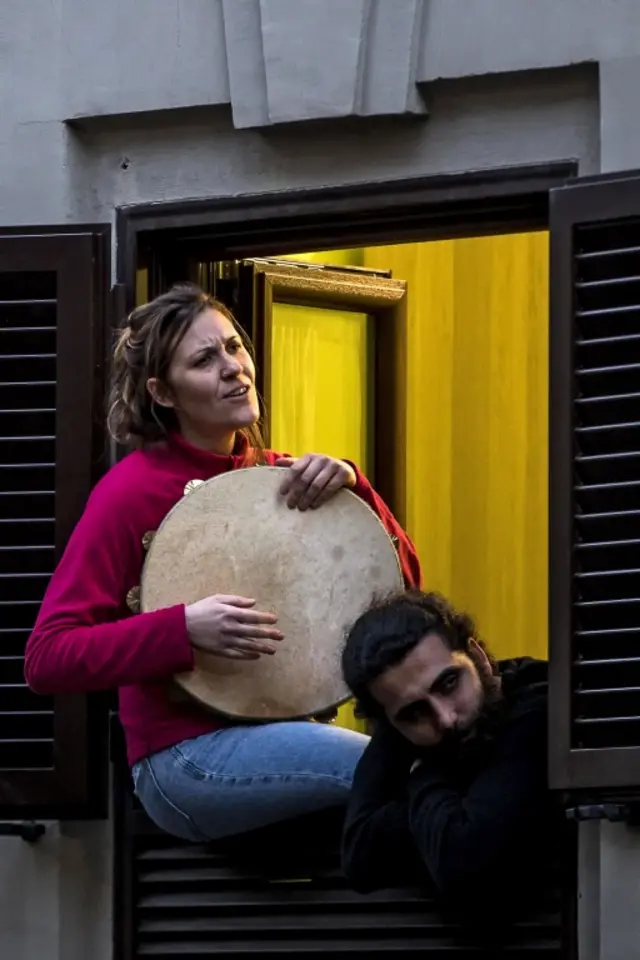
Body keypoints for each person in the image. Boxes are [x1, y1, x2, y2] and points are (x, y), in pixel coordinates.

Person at [24, 283, 420, 843]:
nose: (234, 368)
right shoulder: (127, 494)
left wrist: (357, 488)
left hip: (283, 730)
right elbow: (47, 657)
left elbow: (403, 589)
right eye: (205, 360)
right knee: (396, 771)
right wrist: (180, 630)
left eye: (234, 348)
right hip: (181, 761)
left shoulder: (282, 478)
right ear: (163, 393)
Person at [340, 590, 563, 922]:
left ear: (478, 657)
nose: (445, 719)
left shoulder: (538, 703)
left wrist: (421, 776)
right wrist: (457, 806)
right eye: (414, 714)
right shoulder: (399, 719)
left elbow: (466, 867)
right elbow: (360, 857)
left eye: (448, 684)